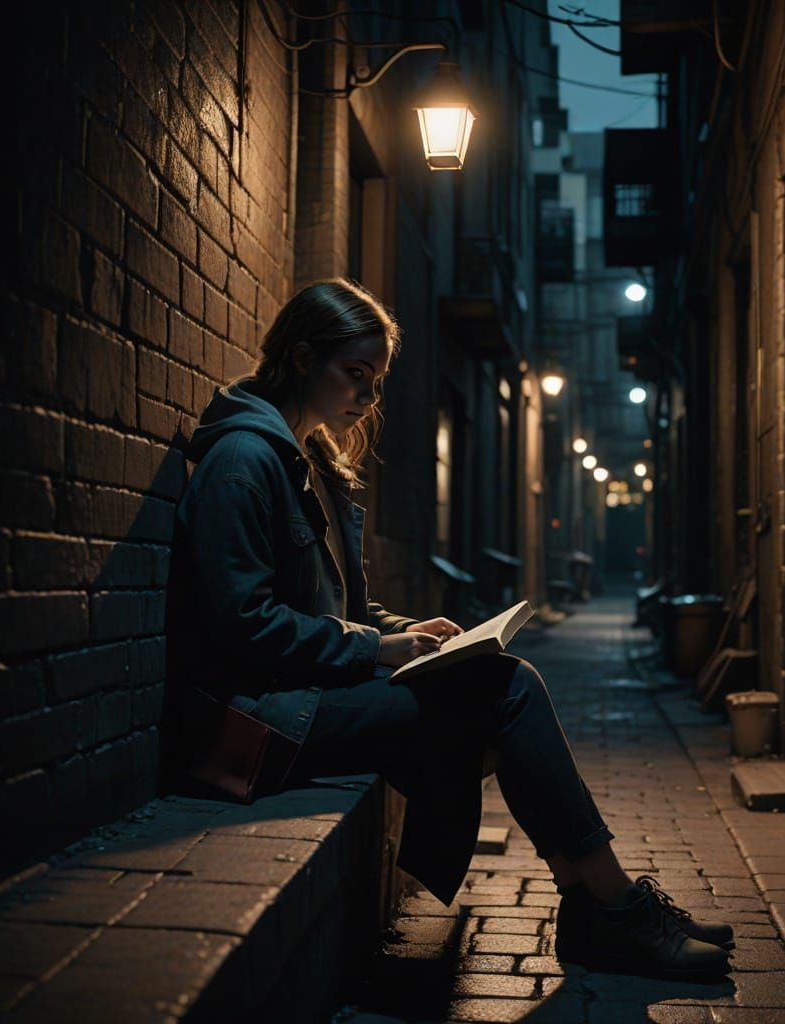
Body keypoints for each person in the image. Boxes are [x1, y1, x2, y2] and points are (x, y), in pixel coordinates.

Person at [164, 278, 733, 981]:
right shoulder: (245, 463)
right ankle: (607, 907)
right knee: (507, 690)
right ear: (304, 357)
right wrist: (379, 648)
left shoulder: (301, 460)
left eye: (376, 381)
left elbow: (338, 610)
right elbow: (242, 628)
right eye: (356, 376)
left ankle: (598, 901)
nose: (368, 400)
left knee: (495, 687)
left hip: (302, 698)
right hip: (257, 723)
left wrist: (412, 631)